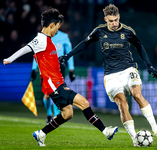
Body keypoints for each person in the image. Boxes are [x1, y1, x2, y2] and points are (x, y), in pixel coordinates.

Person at [3, 7, 118, 146]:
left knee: (67, 113)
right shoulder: (41, 39)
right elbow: (26, 48)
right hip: (53, 84)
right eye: (57, 26)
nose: (58, 30)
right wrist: (10, 58)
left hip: (58, 82)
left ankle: (41, 134)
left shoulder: (48, 40)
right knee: (84, 103)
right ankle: (106, 131)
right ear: (51, 25)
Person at [59, 4, 157, 146]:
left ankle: (156, 130)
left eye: (116, 20)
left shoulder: (127, 31)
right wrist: (68, 56)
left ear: (119, 17)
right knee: (122, 104)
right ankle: (135, 138)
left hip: (129, 70)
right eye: (111, 21)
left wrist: (149, 65)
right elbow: (85, 43)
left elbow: (139, 45)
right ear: (105, 19)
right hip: (111, 75)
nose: (114, 23)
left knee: (137, 95)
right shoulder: (99, 31)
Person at [31, 29, 76, 123]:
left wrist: (71, 69)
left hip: (59, 68)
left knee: (58, 92)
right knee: (47, 95)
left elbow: (69, 52)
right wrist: (34, 68)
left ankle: (55, 117)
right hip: (45, 67)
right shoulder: (42, 37)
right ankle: (48, 114)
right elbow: (37, 53)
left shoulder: (64, 36)